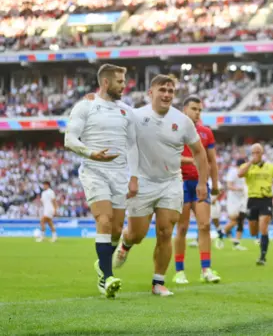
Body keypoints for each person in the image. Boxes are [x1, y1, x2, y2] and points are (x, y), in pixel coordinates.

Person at [113, 75, 210, 297]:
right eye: (162, 90)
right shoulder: (137, 117)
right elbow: (127, 147)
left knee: (166, 232)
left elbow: (199, 152)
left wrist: (203, 182)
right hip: (143, 183)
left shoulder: (183, 121)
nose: (166, 94)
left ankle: (158, 282)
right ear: (150, 93)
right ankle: (126, 244)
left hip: (171, 183)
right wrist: (132, 177)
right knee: (137, 234)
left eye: (170, 91)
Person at [65, 63, 137, 298]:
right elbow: (70, 139)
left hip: (119, 175)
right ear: (105, 82)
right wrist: (90, 153)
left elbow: (133, 146)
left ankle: (102, 263)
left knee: (116, 230)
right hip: (94, 171)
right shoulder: (86, 106)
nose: (123, 86)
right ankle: (106, 278)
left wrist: (134, 176)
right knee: (104, 220)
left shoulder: (127, 111)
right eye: (119, 82)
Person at [173, 96, 222, 285]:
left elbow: (212, 161)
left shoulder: (206, 133)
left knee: (204, 226)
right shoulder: (175, 130)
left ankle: (206, 269)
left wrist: (215, 183)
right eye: (194, 109)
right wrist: (190, 161)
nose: (197, 113)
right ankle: (179, 271)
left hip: (201, 183)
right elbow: (170, 158)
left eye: (200, 110)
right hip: (181, 182)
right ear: (185, 110)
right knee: (182, 228)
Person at [237, 143, 273, 265]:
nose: (256, 155)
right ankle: (258, 239)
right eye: (254, 152)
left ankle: (262, 256)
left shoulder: (271, 167)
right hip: (252, 200)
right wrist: (251, 162)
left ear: (263, 154)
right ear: (251, 154)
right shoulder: (246, 166)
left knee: (263, 227)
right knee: (253, 231)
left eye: (258, 152)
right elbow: (240, 174)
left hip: (266, 199)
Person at [222, 159, 249, 250]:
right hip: (233, 199)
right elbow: (229, 186)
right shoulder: (233, 172)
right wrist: (239, 189)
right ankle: (221, 233)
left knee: (241, 219)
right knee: (234, 219)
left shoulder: (246, 173)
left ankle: (237, 243)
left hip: (243, 199)